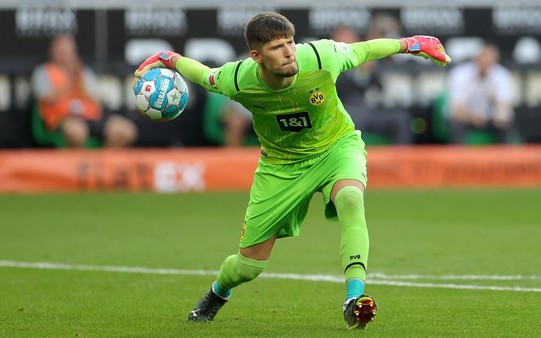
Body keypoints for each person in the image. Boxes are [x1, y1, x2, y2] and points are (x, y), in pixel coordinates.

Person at [134, 12, 450, 329]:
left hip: (336, 147)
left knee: (351, 200)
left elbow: (365, 49)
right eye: (276, 47)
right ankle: (218, 292)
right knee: (248, 266)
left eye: (290, 43)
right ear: (256, 56)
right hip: (280, 166)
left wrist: (412, 44)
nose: (288, 52)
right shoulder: (238, 79)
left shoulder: (321, 56)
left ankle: (354, 298)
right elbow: (204, 74)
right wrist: (168, 58)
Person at [31, 34, 137, 148]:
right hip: (63, 118)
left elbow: (97, 101)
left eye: (69, 51)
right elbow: (46, 98)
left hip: (90, 117)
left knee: (126, 131)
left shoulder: (84, 72)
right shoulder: (44, 72)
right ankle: (79, 164)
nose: (66, 56)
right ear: (53, 52)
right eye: (62, 51)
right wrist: (69, 81)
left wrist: (81, 83)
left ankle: (102, 162)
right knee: (77, 132)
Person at [332, 25, 413, 145]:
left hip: (371, 111)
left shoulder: (365, 62)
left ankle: (402, 161)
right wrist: (358, 72)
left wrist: (367, 71)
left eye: (349, 39)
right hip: (347, 112)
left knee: (401, 119)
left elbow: (380, 88)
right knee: (352, 120)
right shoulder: (331, 65)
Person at [447, 42, 515, 144]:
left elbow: (504, 106)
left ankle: (503, 159)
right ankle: (458, 159)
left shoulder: (502, 75)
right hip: (467, 117)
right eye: (484, 56)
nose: (486, 61)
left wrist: (499, 117)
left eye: (490, 58)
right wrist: (472, 118)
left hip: (491, 119)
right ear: (476, 57)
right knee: (456, 125)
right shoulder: (460, 74)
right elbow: (456, 109)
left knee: (505, 125)